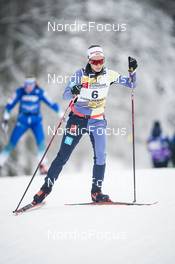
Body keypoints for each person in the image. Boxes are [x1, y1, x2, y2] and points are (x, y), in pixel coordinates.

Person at [32, 45, 137, 204]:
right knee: (63, 155)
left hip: (97, 121)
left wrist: (133, 72)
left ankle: (96, 192)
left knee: (101, 155)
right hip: (77, 121)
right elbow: (66, 94)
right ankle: (45, 189)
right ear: (89, 60)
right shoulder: (79, 74)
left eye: (100, 61)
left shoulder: (110, 75)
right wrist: (74, 89)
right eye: (94, 61)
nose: (98, 64)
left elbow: (131, 84)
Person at [0, 76, 61, 174]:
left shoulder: (39, 92)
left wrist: (60, 113)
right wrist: (6, 119)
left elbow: (51, 103)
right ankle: (1, 161)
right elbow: (9, 105)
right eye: (26, 84)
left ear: (35, 84)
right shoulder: (20, 92)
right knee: (12, 143)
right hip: (22, 121)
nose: (28, 87)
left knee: (41, 142)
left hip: (36, 121)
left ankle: (43, 165)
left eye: (31, 84)